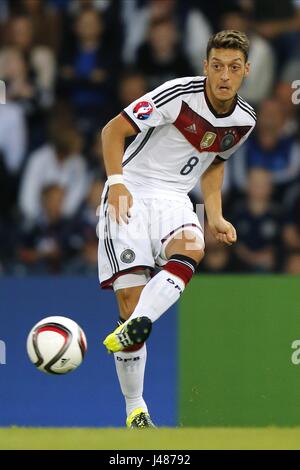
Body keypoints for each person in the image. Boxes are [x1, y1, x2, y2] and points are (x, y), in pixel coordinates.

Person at [98, 30, 256, 428]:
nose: (224, 75)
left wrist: (215, 215)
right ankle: (135, 408)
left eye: (233, 68)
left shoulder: (245, 120)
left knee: (193, 244)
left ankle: (141, 322)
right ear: (205, 66)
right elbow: (112, 131)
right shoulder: (177, 94)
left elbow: (216, 162)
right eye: (217, 66)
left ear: (246, 72)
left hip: (173, 197)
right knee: (129, 304)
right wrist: (116, 183)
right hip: (131, 187)